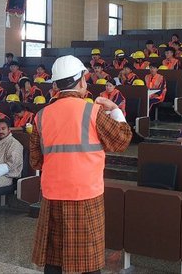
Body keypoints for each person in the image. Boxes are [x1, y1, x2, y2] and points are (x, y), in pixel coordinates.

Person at [30, 55, 132, 274]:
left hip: (52, 196)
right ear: (81, 81)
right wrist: (115, 109)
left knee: (54, 259)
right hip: (86, 196)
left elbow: (35, 160)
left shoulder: (40, 116)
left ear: (56, 85)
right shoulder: (92, 112)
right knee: (87, 261)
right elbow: (122, 140)